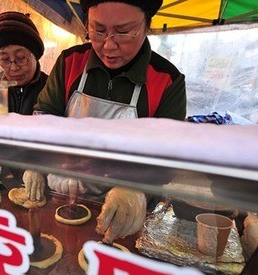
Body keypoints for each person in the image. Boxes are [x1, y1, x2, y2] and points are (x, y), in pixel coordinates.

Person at [24, 0, 186, 243]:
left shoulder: (167, 81)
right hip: (61, 197)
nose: (108, 45)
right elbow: (44, 118)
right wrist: (35, 160)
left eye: (123, 32)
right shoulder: (70, 63)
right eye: (98, 31)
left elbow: (169, 156)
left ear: (146, 25)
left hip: (122, 214)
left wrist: (136, 188)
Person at [0, 11, 48, 115]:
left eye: (21, 57)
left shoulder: (51, 89)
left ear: (35, 56)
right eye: (5, 59)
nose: (13, 68)